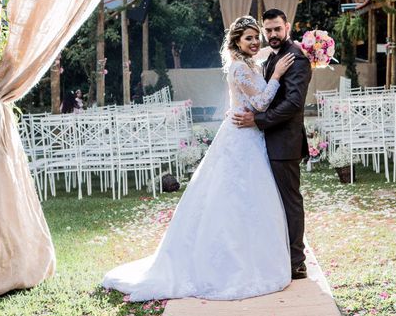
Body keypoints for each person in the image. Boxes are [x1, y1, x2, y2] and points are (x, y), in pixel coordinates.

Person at [102, 16, 296, 301]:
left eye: (258, 37)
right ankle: (227, 266)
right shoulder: (240, 68)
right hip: (240, 138)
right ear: (236, 43)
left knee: (250, 200)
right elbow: (262, 102)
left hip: (249, 136)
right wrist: (277, 75)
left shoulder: (251, 62)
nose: (256, 42)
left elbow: (267, 58)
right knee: (232, 199)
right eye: (249, 38)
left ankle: (253, 256)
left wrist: (277, 55)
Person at [233, 8, 312, 280]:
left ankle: (297, 261)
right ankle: (280, 254)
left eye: (277, 29)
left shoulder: (296, 59)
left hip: (284, 143)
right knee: (273, 201)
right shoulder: (271, 59)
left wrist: (258, 120)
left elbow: (293, 104)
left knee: (290, 200)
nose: (272, 35)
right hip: (267, 140)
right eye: (268, 30)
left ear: (287, 27)